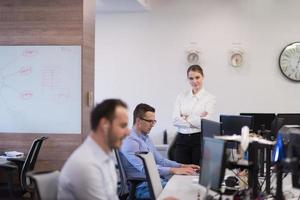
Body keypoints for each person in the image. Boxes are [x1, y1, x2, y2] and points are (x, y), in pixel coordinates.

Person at [121, 103, 199, 199]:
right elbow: (147, 169)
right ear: (138, 121)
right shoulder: (130, 141)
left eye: (154, 121)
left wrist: (182, 166)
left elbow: (160, 160)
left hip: (156, 182)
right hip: (143, 187)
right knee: (185, 194)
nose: (152, 125)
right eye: (150, 121)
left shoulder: (145, 138)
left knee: (189, 188)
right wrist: (174, 170)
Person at [57, 99, 130, 200]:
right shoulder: (86, 165)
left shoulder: (105, 157)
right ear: (104, 125)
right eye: (123, 126)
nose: (128, 132)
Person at [172, 64, 216, 165]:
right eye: (191, 78)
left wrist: (186, 117)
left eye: (197, 77)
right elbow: (175, 120)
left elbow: (204, 123)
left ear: (202, 77)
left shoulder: (210, 98)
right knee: (181, 172)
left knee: (198, 172)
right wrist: (197, 118)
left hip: (199, 140)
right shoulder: (181, 96)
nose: (194, 81)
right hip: (181, 139)